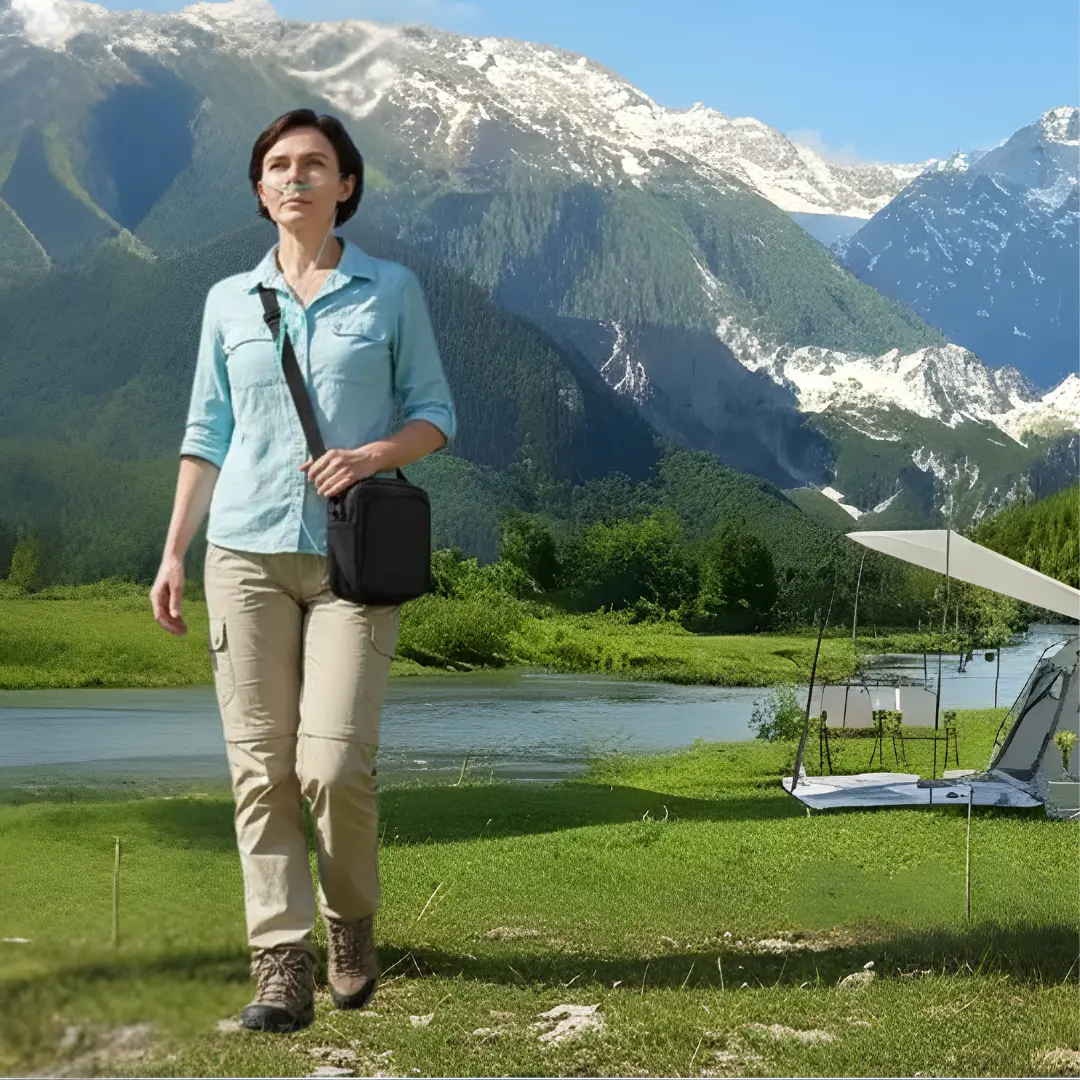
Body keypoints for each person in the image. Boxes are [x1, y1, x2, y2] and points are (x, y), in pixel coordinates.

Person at [149, 109, 456, 1033]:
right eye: (278, 166)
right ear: (260, 191)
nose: (295, 178)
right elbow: (206, 435)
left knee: (329, 763)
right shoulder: (226, 303)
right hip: (239, 554)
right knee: (259, 771)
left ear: (345, 185)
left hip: (351, 560)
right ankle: (280, 965)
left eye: (314, 165)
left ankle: (349, 924)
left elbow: (436, 415)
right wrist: (172, 551)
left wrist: (367, 456)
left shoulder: (390, 290)